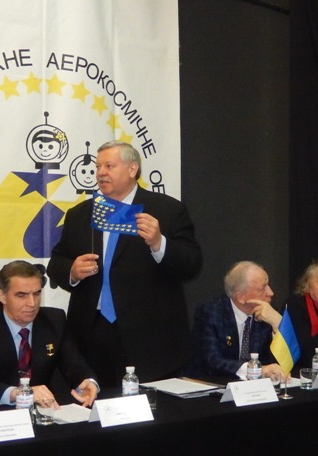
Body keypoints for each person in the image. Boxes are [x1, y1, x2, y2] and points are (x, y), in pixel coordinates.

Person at [47, 140, 202, 387]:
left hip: (149, 336)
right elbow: (56, 264)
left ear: (132, 169)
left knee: (150, 409)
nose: (100, 173)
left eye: (109, 166)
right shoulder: (80, 214)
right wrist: (72, 271)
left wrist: (159, 243)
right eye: (98, 167)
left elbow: (192, 264)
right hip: (92, 333)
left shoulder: (167, 210)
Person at [0, 260, 98, 407]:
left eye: (36, 294)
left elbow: (74, 364)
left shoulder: (55, 320)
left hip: (45, 409)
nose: (32, 303)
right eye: (22, 295)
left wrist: (87, 382)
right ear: (2, 296)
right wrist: (20, 393)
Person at [187, 261, 286, 381]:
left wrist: (279, 324)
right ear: (241, 297)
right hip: (210, 383)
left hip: (254, 387)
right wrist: (253, 369)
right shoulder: (211, 313)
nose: (271, 293)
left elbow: (280, 360)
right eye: (262, 288)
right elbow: (211, 361)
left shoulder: (268, 312)